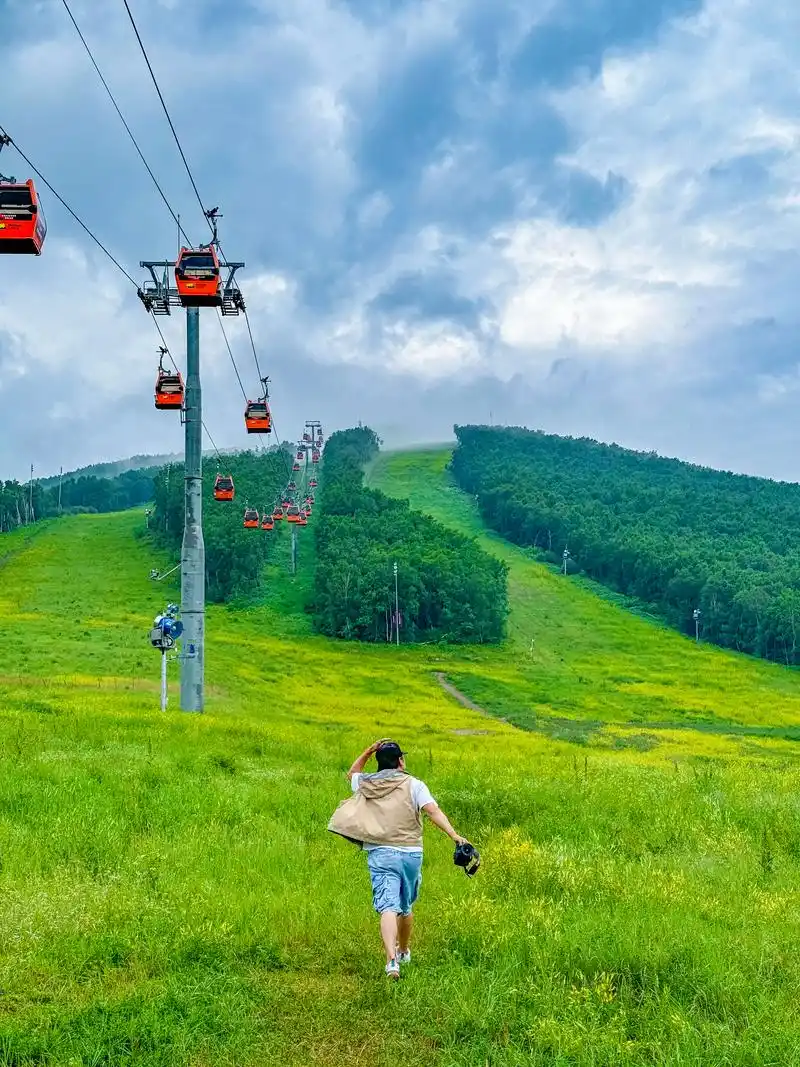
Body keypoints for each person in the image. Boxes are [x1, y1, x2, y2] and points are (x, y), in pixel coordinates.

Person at [330, 738, 467, 980]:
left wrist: (368, 750)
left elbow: (352, 773)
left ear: (379, 761)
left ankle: (391, 961)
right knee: (405, 907)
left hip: (381, 853)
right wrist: (455, 836)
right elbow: (432, 811)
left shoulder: (367, 783)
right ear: (401, 761)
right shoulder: (415, 785)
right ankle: (403, 951)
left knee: (387, 907)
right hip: (411, 853)